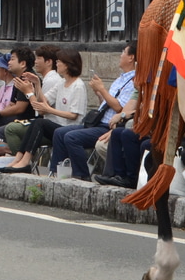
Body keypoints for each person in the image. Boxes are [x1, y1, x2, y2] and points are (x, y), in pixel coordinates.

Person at [49, 42, 137, 181]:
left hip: (107, 126)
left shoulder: (133, 81)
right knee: (59, 133)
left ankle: (82, 175)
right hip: (98, 122)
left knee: (72, 137)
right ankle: (57, 173)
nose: (120, 56)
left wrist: (102, 89)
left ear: (131, 57)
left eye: (123, 52)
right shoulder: (121, 78)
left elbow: (119, 108)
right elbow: (107, 104)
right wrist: (99, 93)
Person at [3, 49, 88, 174]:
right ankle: (18, 158)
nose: (56, 64)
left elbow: (73, 115)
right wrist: (37, 84)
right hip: (57, 126)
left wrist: (49, 110)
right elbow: (44, 101)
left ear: (68, 64)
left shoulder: (78, 86)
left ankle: (26, 161)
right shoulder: (61, 83)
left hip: (69, 127)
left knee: (40, 123)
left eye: (59, 62)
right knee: (36, 123)